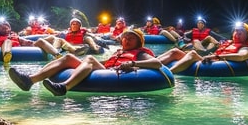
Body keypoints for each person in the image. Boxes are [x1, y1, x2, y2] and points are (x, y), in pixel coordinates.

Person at [9, 28, 163, 96]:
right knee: (69, 57)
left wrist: (134, 64)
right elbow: (107, 63)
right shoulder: (119, 52)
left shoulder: (140, 53)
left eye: (131, 38)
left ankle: (64, 87)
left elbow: (157, 64)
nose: (127, 40)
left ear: (139, 42)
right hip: (106, 69)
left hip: (116, 74)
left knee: (89, 58)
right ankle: (29, 80)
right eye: (125, 37)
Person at [148, 22, 248, 74]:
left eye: (241, 32)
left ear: (247, 36)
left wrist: (216, 56)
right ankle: (148, 64)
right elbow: (185, 36)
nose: (237, 33)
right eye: (236, 31)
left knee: (192, 54)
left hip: (213, 61)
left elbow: (241, 57)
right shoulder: (229, 43)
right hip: (208, 58)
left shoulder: (246, 48)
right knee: (174, 51)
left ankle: (167, 74)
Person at [34, 16, 101, 56]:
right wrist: (53, 33)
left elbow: (92, 37)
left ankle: (55, 55)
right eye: (73, 24)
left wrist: (95, 45)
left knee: (59, 40)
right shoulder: (66, 33)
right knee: (53, 38)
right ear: (70, 26)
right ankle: (34, 44)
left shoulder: (84, 33)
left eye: (76, 24)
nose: (74, 25)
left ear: (80, 26)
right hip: (67, 47)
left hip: (78, 47)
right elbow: (57, 34)